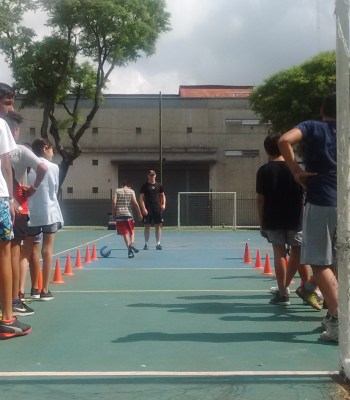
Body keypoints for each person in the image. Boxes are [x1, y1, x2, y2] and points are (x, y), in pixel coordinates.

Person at [279, 92, 337, 342]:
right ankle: (333, 313)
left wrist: (295, 170)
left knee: (319, 260)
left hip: (322, 197)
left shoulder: (313, 127)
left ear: (323, 108)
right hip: (344, 199)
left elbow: (284, 141)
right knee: (338, 260)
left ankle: (338, 316)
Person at [4, 112, 47, 316]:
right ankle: (12, 301)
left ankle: (9, 300)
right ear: (15, 130)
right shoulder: (18, 151)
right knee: (13, 256)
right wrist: (34, 188)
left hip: (9, 205)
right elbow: (43, 167)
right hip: (15, 208)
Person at [256, 134, 304, 306]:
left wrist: (262, 222)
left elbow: (261, 199)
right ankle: (289, 286)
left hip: (273, 216)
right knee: (297, 252)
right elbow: (302, 196)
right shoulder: (296, 168)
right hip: (295, 216)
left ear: (267, 150)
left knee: (279, 253)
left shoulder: (264, 171)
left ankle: (283, 292)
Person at [0, 83, 31, 338]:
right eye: (8, 102)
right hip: (0, 196)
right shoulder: (1, 125)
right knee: (6, 253)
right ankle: (7, 316)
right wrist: (11, 198)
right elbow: (6, 164)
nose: (11, 107)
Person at [21, 138, 64, 301]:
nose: (53, 153)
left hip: (31, 211)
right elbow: (54, 189)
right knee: (47, 250)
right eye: (52, 150)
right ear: (46, 148)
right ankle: (44, 289)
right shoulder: (54, 167)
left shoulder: (27, 166)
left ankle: (20, 291)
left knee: (25, 252)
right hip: (49, 211)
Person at [112, 182, 143, 258]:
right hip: (129, 214)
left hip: (120, 214)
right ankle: (132, 243)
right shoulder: (131, 191)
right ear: (128, 186)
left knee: (125, 233)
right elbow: (135, 203)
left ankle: (130, 251)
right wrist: (139, 213)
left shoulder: (117, 191)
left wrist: (113, 212)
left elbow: (114, 202)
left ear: (121, 185)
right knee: (131, 231)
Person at [139, 170, 166, 250]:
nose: (152, 176)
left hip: (157, 208)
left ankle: (158, 244)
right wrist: (143, 208)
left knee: (158, 226)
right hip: (148, 209)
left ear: (155, 175)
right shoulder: (144, 186)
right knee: (147, 226)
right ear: (148, 176)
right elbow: (141, 198)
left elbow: (163, 195)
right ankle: (146, 244)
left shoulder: (159, 185)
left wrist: (164, 204)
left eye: (153, 175)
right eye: (150, 175)